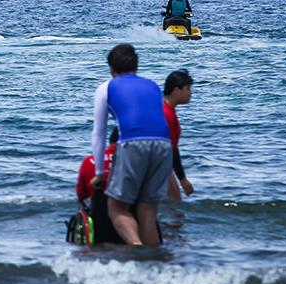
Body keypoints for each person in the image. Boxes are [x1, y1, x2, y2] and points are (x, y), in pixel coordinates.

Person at [89, 44, 172, 246]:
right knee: (148, 211)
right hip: (164, 144)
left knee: (116, 208)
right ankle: (153, 263)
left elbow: (99, 134)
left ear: (111, 68)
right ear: (136, 66)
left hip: (133, 143)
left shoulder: (106, 87)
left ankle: (136, 249)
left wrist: (99, 172)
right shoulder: (152, 85)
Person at [74, 128, 123, 244]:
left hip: (99, 222)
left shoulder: (89, 161)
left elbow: (81, 195)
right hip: (128, 218)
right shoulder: (134, 162)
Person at [163, 70, 195, 201]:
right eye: (188, 88)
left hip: (155, 163)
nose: (191, 93)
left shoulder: (164, 108)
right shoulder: (167, 114)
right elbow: (172, 149)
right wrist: (183, 179)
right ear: (177, 90)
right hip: (160, 165)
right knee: (175, 207)